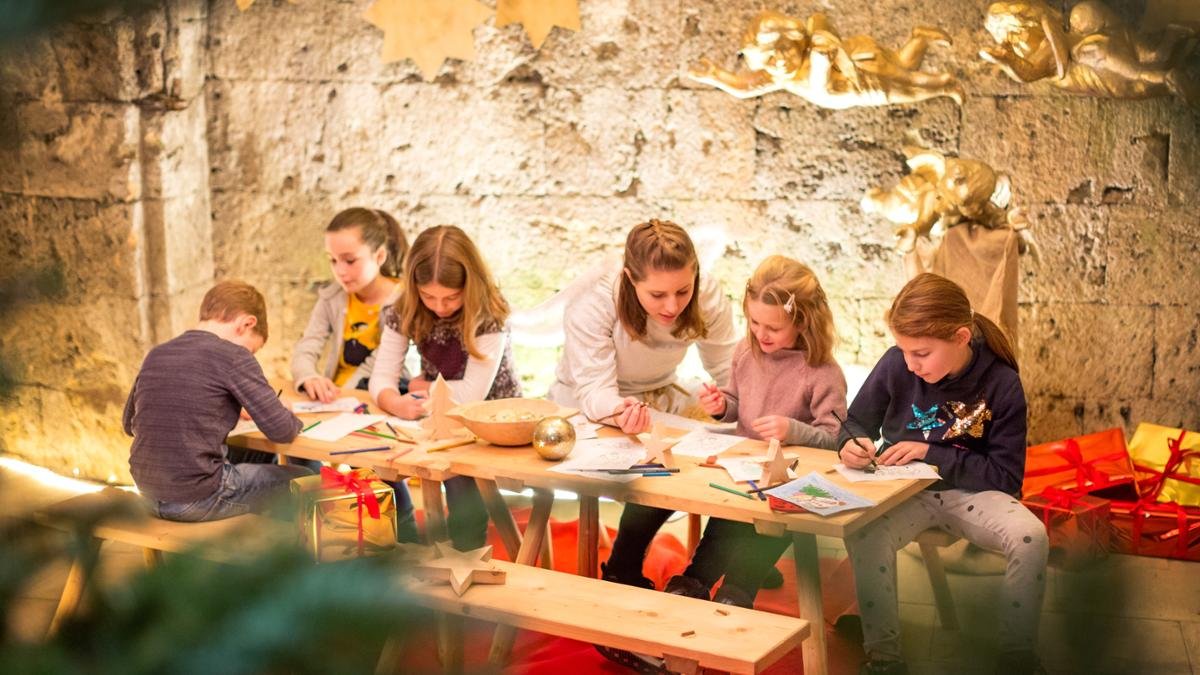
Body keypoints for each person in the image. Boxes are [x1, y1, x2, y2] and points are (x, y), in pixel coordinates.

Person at [840, 273, 1047, 675]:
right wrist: (851, 443)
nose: (910, 365)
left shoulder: (1003, 383)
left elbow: (1005, 479)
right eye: (903, 351)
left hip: (974, 494)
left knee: (1031, 537)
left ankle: (1017, 657)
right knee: (863, 532)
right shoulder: (896, 365)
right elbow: (854, 422)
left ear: (961, 337)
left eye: (921, 353)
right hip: (902, 491)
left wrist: (931, 453)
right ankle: (884, 658)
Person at [679, 255, 847, 608]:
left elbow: (835, 438)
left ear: (804, 322)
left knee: (770, 520)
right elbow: (738, 402)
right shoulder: (746, 351)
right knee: (727, 516)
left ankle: (738, 592)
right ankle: (694, 582)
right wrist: (722, 406)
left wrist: (793, 429)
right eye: (754, 322)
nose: (760, 333)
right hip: (744, 473)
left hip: (791, 484)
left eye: (773, 327)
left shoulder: (822, 371)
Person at [369, 225, 520, 550]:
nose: (439, 306)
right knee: (381, 463)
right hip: (436, 416)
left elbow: (471, 395)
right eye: (429, 296)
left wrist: (421, 388)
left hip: (492, 422)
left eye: (451, 297)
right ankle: (406, 548)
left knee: (459, 478)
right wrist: (396, 402)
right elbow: (381, 378)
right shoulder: (404, 307)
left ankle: (467, 554)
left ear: (471, 284)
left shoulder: (489, 313)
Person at [124, 280, 311, 522]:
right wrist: (283, 413)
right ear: (247, 323)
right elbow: (281, 430)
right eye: (253, 349)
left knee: (250, 462)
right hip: (198, 497)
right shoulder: (233, 356)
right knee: (305, 480)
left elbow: (129, 424)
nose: (249, 354)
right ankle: (279, 557)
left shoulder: (158, 353)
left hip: (147, 495)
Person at [291, 207, 408, 400]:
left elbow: (379, 363)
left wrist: (343, 393)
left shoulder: (403, 300)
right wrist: (309, 377)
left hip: (382, 398)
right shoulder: (332, 296)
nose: (340, 271)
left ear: (379, 256)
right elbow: (307, 345)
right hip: (336, 400)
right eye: (333, 260)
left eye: (350, 260)